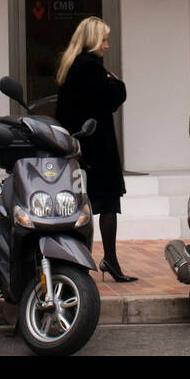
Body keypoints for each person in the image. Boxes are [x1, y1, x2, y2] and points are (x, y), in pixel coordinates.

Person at [54, 16, 136, 282]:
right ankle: (109, 260)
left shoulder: (71, 66)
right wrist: (117, 82)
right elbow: (113, 97)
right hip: (97, 147)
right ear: (92, 41)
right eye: (104, 39)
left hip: (79, 146)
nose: (107, 45)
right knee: (108, 203)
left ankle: (82, 260)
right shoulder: (90, 68)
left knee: (82, 205)